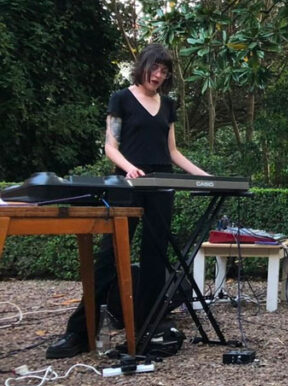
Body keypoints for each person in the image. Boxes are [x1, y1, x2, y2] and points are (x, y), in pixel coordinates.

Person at [46, 43, 210, 359]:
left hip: (160, 185)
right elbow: (110, 146)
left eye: (164, 72)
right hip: (127, 182)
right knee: (110, 257)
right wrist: (128, 166)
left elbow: (173, 152)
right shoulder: (120, 98)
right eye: (155, 69)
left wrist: (206, 176)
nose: (159, 76)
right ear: (143, 66)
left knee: (155, 258)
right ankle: (79, 333)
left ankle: (146, 329)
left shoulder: (168, 105)